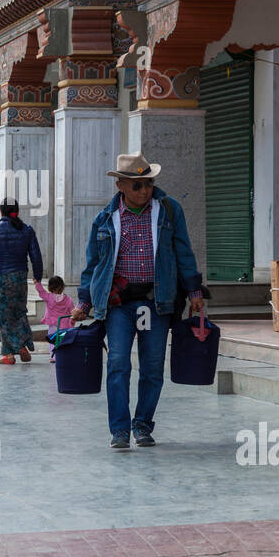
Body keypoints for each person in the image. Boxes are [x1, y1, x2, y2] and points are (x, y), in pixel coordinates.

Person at [71, 152, 204, 450]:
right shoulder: (105, 219)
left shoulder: (169, 211)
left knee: (153, 365)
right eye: (136, 185)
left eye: (148, 183)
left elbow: (184, 253)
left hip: (157, 302)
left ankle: (142, 424)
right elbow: (93, 265)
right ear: (120, 185)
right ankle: (119, 430)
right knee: (118, 363)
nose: (144, 191)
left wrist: (195, 293)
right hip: (119, 305)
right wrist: (84, 302)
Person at [0, 197, 43, 365]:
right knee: (18, 312)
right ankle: (8, 355)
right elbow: (36, 255)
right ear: (17, 211)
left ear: (1, 211)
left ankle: (19, 346)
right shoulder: (27, 230)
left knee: (2, 315)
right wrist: (38, 275)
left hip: (1, 277)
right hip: (21, 277)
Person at [35, 275, 75, 364]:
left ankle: (54, 356)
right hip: (64, 325)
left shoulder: (48, 297)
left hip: (53, 325)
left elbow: (41, 291)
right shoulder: (68, 300)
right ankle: (62, 355)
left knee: (53, 341)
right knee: (62, 341)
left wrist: (37, 283)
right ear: (62, 287)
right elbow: (73, 313)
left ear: (50, 287)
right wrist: (72, 323)